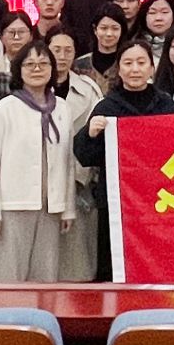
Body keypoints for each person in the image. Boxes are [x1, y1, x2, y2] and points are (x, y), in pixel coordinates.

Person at [74, 39, 174, 281]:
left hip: (160, 204)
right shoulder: (106, 107)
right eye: (128, 63)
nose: (135, 69)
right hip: (116, 207)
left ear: (152, 68)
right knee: (115, 270)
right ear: (119, 69)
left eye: (141, 63)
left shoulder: (166, 105)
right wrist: (90, 133)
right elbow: (84, 155)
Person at [0, 43, 78, 282]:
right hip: (11, 207)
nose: (37, 69)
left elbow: (68, 163)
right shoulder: (5, 108)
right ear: (18, 69)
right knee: (7, 281)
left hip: (50, 207)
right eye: (29, 64)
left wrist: (67, 207)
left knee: (45, 280)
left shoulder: (62, 108)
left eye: (43, 64)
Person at [46, 29, 106, 282]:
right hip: (42, 186)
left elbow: (97, 137)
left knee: (77, 264)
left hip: (79, 183)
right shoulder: (31, 88)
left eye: (68, 50)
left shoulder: (88, 89)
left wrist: (84, 178)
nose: (61, 56)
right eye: (56, 50)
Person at [76, 6, 127, 88]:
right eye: (104, 28)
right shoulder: (79, 65)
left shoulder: (128, 63)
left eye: (115, 29)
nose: (109, 34)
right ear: (95, 30)